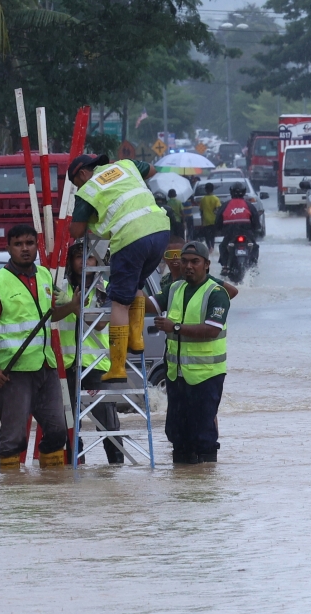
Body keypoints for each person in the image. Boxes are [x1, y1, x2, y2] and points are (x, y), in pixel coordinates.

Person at [0, 224, 78, 470]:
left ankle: (50, 486)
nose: (25, 249)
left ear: (36, 246)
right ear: (8, 248)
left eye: (29, 243)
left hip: (46, 366)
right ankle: (12, 487)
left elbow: (50, 315)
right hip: (14, 372)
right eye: (18, 244)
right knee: (14, 438)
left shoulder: (44, 275)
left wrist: (72, 306)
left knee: (57, 431)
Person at [68, 154, 170, 385]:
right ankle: (136, 339)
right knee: (136, 285)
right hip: (160, 230)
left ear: (82, 173)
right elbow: (152, 169)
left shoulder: (88, 190)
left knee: (118, 303)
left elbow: (76, 231)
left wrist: (92, 216)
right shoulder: (126, 165)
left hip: (130, 238)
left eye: (77, 183)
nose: (79, 187)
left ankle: (117, 366)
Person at [150, 241, 230, 464]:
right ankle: (182, 481)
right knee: (177, 433)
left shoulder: (216, 293)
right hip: (176, 374)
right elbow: (148, 304)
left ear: (206, 265)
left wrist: (174, 327)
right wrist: (127, 285)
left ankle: (206, 478)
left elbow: (212, 330)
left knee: (203, 434)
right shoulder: (175, 288)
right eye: (184, 261)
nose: (188, 266)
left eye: (195, 262)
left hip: (206, 375)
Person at [55, 242, 125, 464]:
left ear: (98, 261)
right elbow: (51, 315)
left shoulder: (106, 289)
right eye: (79, 257)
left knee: (108, 424)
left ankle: (116, 467)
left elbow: (100, 324)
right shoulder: (61, 287)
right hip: (67, 365)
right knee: (68, 425)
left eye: (90, 257)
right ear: (70, 261)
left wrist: (74, 307)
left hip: (96, 365)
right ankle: (75, 468)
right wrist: (70, 304)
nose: (84, 262)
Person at [159, 235, 239, 300]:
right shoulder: (164, 280)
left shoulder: (195, 277)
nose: (174, 258)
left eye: (178, 254)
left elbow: (232, 291)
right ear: (163, 257)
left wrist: (212, 305)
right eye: (169, 254)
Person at [216, 182, 261, 270]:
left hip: (230, 232)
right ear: (244, 192)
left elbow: (218, 221)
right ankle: (253, 266)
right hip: (246, 232)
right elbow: (256, 221)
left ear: (231, 192)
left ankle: (225, 266)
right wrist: (255, 229)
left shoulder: (225, 205)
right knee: (255, 247)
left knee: (223, 246)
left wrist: (219, 229)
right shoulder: (249, 205)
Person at [198, 182, 221, 252]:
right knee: (212, 235)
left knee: (207, 235)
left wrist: (202, 221)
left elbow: (201, 211)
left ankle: (209, 247)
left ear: (205, 190)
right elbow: (218, 209)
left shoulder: (203, 199)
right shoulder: (216, 199)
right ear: (213, 189)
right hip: (214, 220)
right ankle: (213, 247)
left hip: (206, 220)